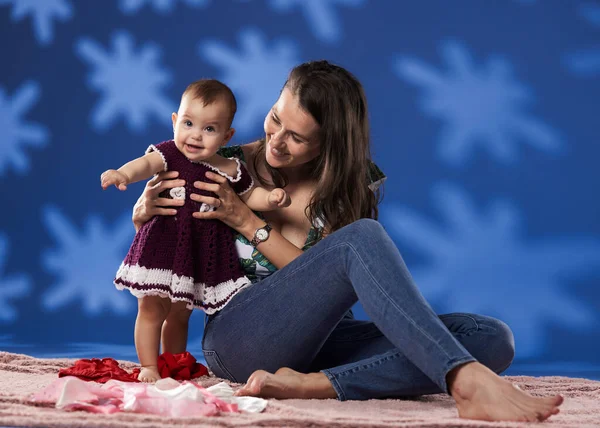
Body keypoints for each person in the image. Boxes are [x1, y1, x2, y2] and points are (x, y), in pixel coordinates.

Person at [131, 61, 563, 422]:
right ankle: (463, 379)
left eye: (296, 137)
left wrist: (248, 222)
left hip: (324, 342)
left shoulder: (353, 185)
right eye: (276, 118)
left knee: (490, 337)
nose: (276, 141)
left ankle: (314, 386)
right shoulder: (225, 166)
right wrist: (144, 211)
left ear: (327, 144)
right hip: (239, 337)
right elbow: (164, 237)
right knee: (363, 240)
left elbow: (327, 280)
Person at [101, 79, 290, 382]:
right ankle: (149, 366)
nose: (196, 136)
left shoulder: (228, 168)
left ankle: (172, 365)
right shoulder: (168, 154)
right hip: (161, 246)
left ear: (227, 135)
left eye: (210, 129)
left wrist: (270, 198)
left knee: (180, 313)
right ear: (174, 121)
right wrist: (123, 173)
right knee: (151, 309)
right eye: (188, 123)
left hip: (196, 254)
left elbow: (249, 195)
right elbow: (144, 165)